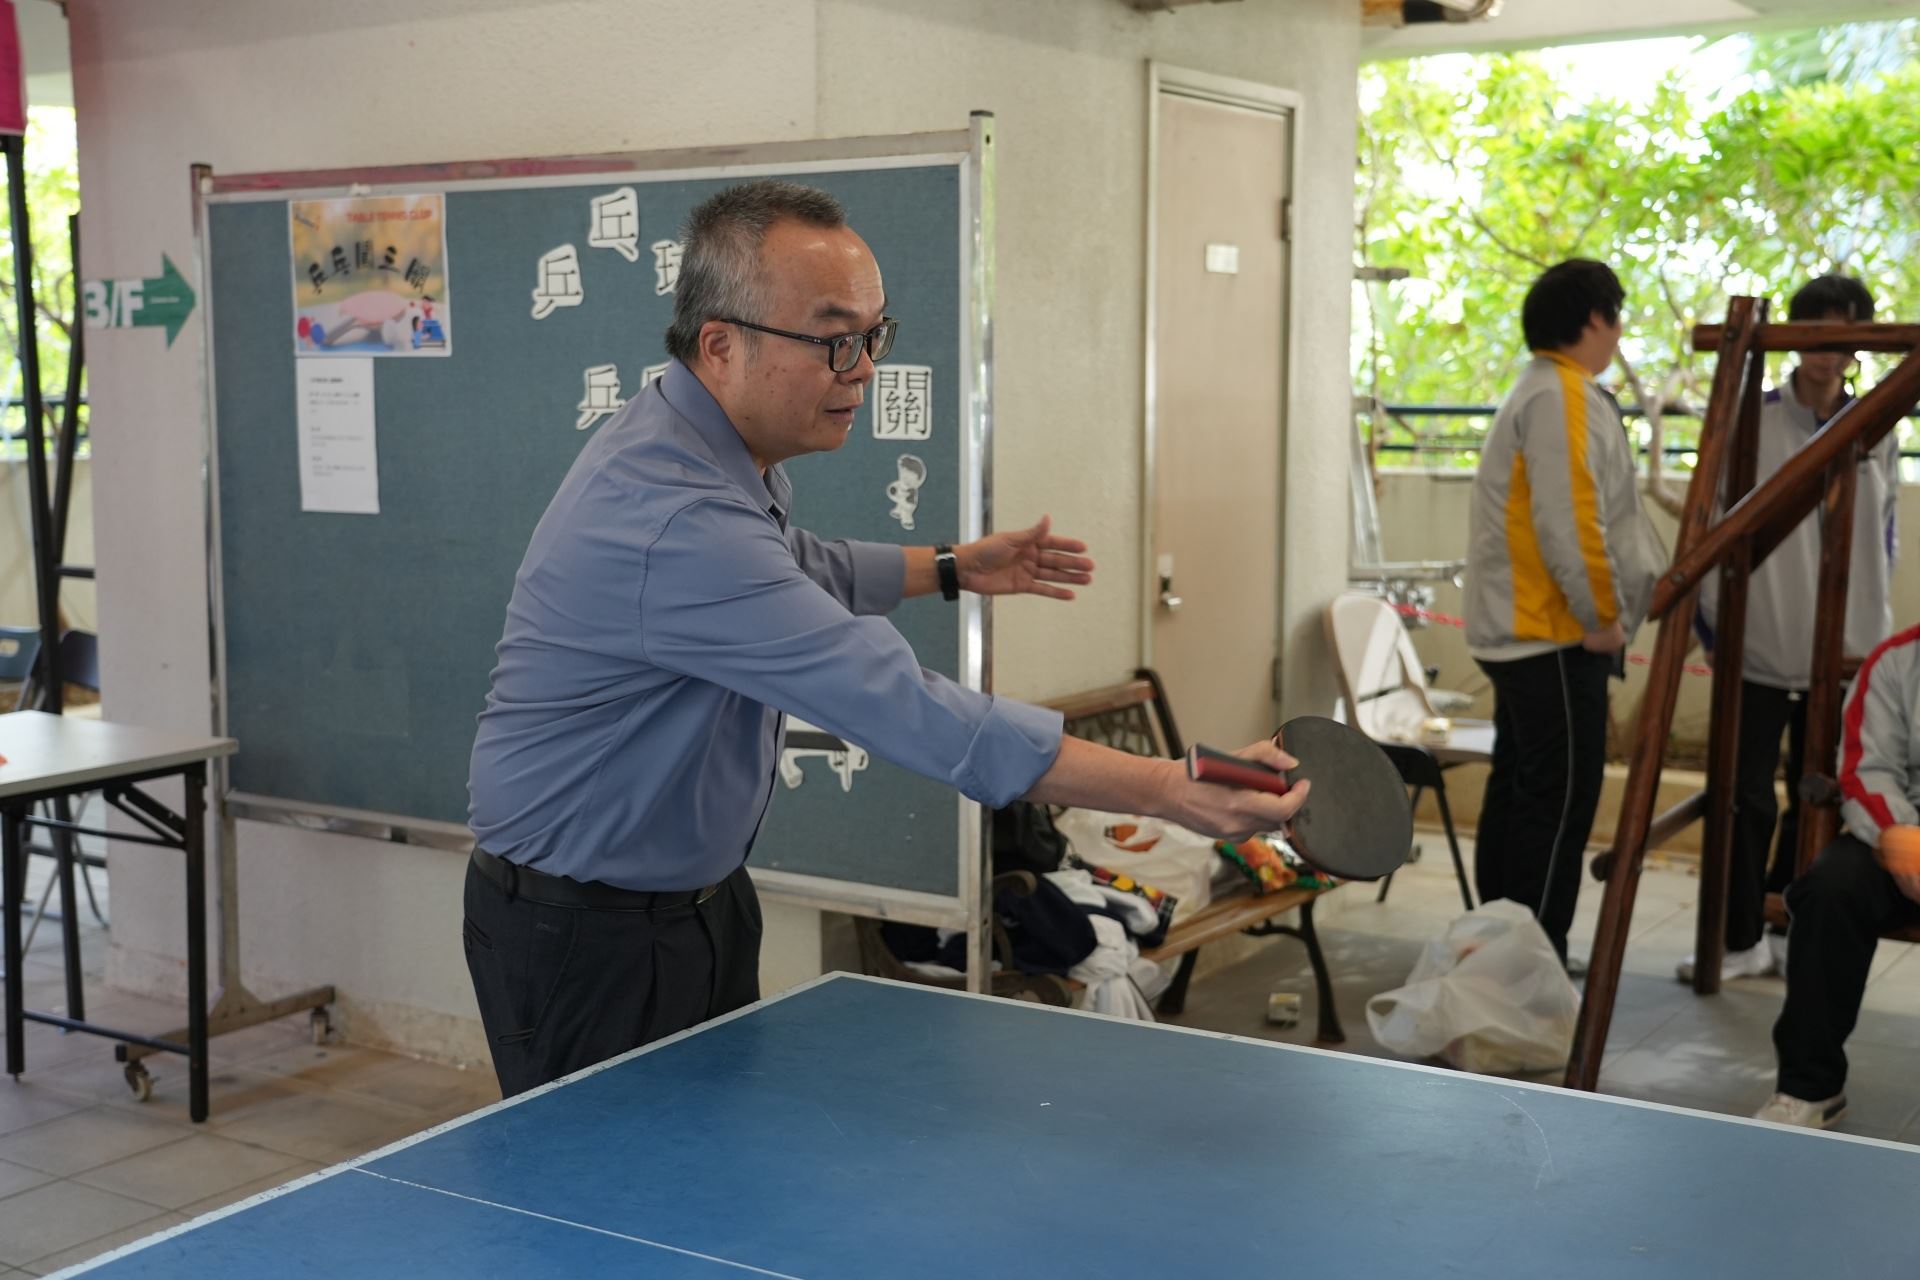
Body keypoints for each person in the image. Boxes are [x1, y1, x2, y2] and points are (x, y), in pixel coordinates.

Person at [463, 180, 1307, 1096]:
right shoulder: (676, 522)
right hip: (586, 935)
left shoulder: (691, 441)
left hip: (693, 902)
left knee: (701, 1158)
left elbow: (795, 563)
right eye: (834, 339)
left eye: (874, 335)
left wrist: (951, 566)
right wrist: (1171, 790)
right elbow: (901, 704)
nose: (863, 368)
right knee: (612, 1183)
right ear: (721, 344)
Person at [1684, 274, 1896, 983]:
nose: (1828, 352)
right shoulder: (1757, 418)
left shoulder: (1876, 425)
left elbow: (1884, 534)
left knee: (1819, 796)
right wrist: (1715, 625)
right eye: (1816, 333)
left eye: (1844, 336)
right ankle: (1739, 936)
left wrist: (1873, 640)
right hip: (1761, 639)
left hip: (1844, 648)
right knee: (1742, 796)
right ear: (1796, 339)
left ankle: (1787, 924)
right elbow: (1714, 524)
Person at [1463, 259, 1664, 961]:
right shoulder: (1562, 394)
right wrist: (1602, 618)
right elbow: (1572, 521)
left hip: (1524, 631)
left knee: (1522, 789)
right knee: (1559, 799)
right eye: (1617, 317)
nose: (1619, 333)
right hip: (1553, 634)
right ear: (1595, 318)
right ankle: (1533, 957)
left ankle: (1497, 947)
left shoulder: (1541, 388)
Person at [1757, 623, 1920, 1128]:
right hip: (1902, 830)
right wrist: (1899, 836)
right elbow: (1865, 770)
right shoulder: (1895, 660)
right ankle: (1809, 1087)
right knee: (1830, 890)